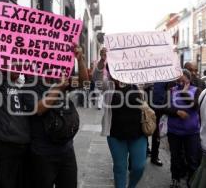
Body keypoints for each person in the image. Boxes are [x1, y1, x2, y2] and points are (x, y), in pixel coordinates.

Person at [24, 45, 88, 188]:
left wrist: (80, 59)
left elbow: (84, 83)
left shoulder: (60, 79)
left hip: (66, 151)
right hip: (43, 153)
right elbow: (39, 109)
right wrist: (58, 88)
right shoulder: (30, 83)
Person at [0, 23, 31, 188]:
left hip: (26, 144)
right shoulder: (0, 82)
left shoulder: (28, 84)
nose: (16, 65)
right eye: (13, 61)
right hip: (5, 144)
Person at [93, 50, 147, 188]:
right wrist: (102, 61)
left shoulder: (138, 83)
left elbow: (154, 74)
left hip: (138, 133)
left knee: (139, 167)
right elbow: (96, 79)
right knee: (119, 168)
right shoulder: (108, 85)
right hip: (115, 134)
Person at [163, 70, 202, 188]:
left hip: (191, 132)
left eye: (183, 81)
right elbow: (164, 107)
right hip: (174, 131)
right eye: (178, 80)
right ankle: (175, 178)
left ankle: (192, 180)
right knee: (175, 157)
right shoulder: (172, 90)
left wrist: (184, 93)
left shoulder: (196, 90)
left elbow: (195, 106)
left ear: (189, 80)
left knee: (192, 158)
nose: (180, 83)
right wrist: (177, 112)